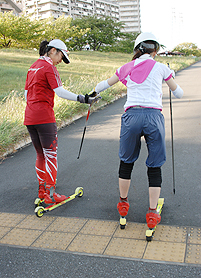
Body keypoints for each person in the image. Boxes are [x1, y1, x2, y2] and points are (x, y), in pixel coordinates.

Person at [90, 32, 183, 229]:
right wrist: (170, 75)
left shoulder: (127, 67)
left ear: (137, 49)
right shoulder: (161, 68)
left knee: (126, 162)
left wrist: (92, 94)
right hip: (153, 117)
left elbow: (104, 84)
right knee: (154, 165)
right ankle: (151, 214)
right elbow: (179, 94)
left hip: (131, 116)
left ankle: (123, 205)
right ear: (155, 50)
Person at [24, 39, 98, 204]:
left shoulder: (33, 66)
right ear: (52, 51)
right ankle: (51, 194)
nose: (60, 61)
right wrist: (83, 99)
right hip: (44, 117)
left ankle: (42, 191)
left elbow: (26, 95)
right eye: (60, 56)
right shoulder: (49, 67)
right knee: (51, 155)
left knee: (40, 154)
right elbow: (60, 91)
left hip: (29, 116)